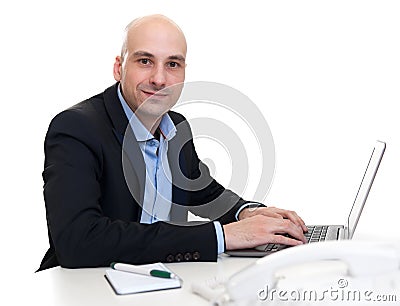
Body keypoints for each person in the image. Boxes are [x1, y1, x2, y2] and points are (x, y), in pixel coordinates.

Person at [38, 14, 307, 271]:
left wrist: (247, 214)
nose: (159, 79)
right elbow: (79, 240)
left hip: (164, 285)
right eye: (145, 61)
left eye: (172, 64)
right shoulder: (77, 128)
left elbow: (204, 193)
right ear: (119, 68)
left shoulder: (176, 126)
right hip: (84, 290)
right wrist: (221, 237)